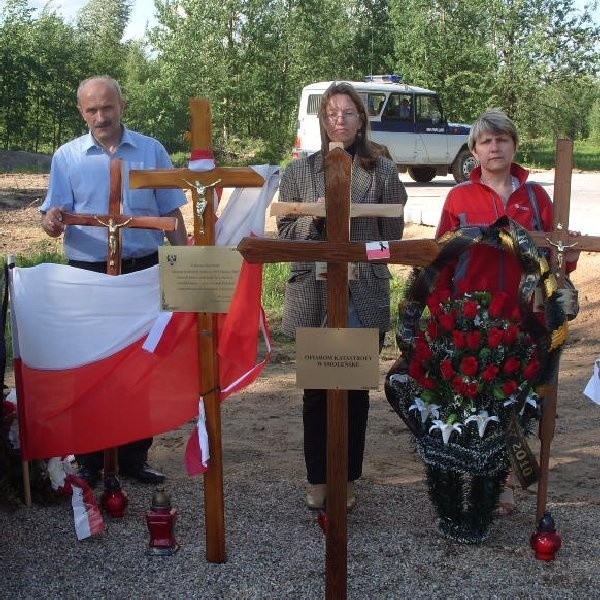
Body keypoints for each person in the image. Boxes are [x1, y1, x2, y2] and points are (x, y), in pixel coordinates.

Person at [40, 75, 188, 488]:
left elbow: (172, 215)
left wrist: (184, 263)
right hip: (87, 274)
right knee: (90, 365)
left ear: (123, 105)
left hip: (142, 269)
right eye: (92, 110)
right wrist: (51, 221)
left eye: (107, 107)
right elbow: (55, 218)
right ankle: (88, 460)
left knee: (140, 363)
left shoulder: (151, 150)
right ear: (81, 112)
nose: (101, 117)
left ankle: (133, 457)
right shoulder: (67, 157)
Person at [435, 108, 579, 514]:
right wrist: (441, 309)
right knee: (476, 397)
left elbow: (558, 257)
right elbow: (442, 259)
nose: (494, 147)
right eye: (485, 141)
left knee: (517, 399)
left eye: (501, 139)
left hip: (525, 314)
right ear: (474, 152)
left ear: (513, 145)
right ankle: (479, 477)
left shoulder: (535, 198)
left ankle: (504, 485)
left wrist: (569, 261)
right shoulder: (459, 197)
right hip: (472, 313)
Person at [277, 82, 407, 510]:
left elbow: (392, 238)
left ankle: (347, 477)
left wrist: (370, 228)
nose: (339, 119)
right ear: (322, 120)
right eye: (332, 112)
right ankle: (318, 479)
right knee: (318, 389)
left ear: (361, 119)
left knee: (353, 390)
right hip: (315, 292)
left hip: (362, 290)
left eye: (348, 112)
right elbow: (285, 236)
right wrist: (314, 218)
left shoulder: (382, 169)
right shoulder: (299, 171)